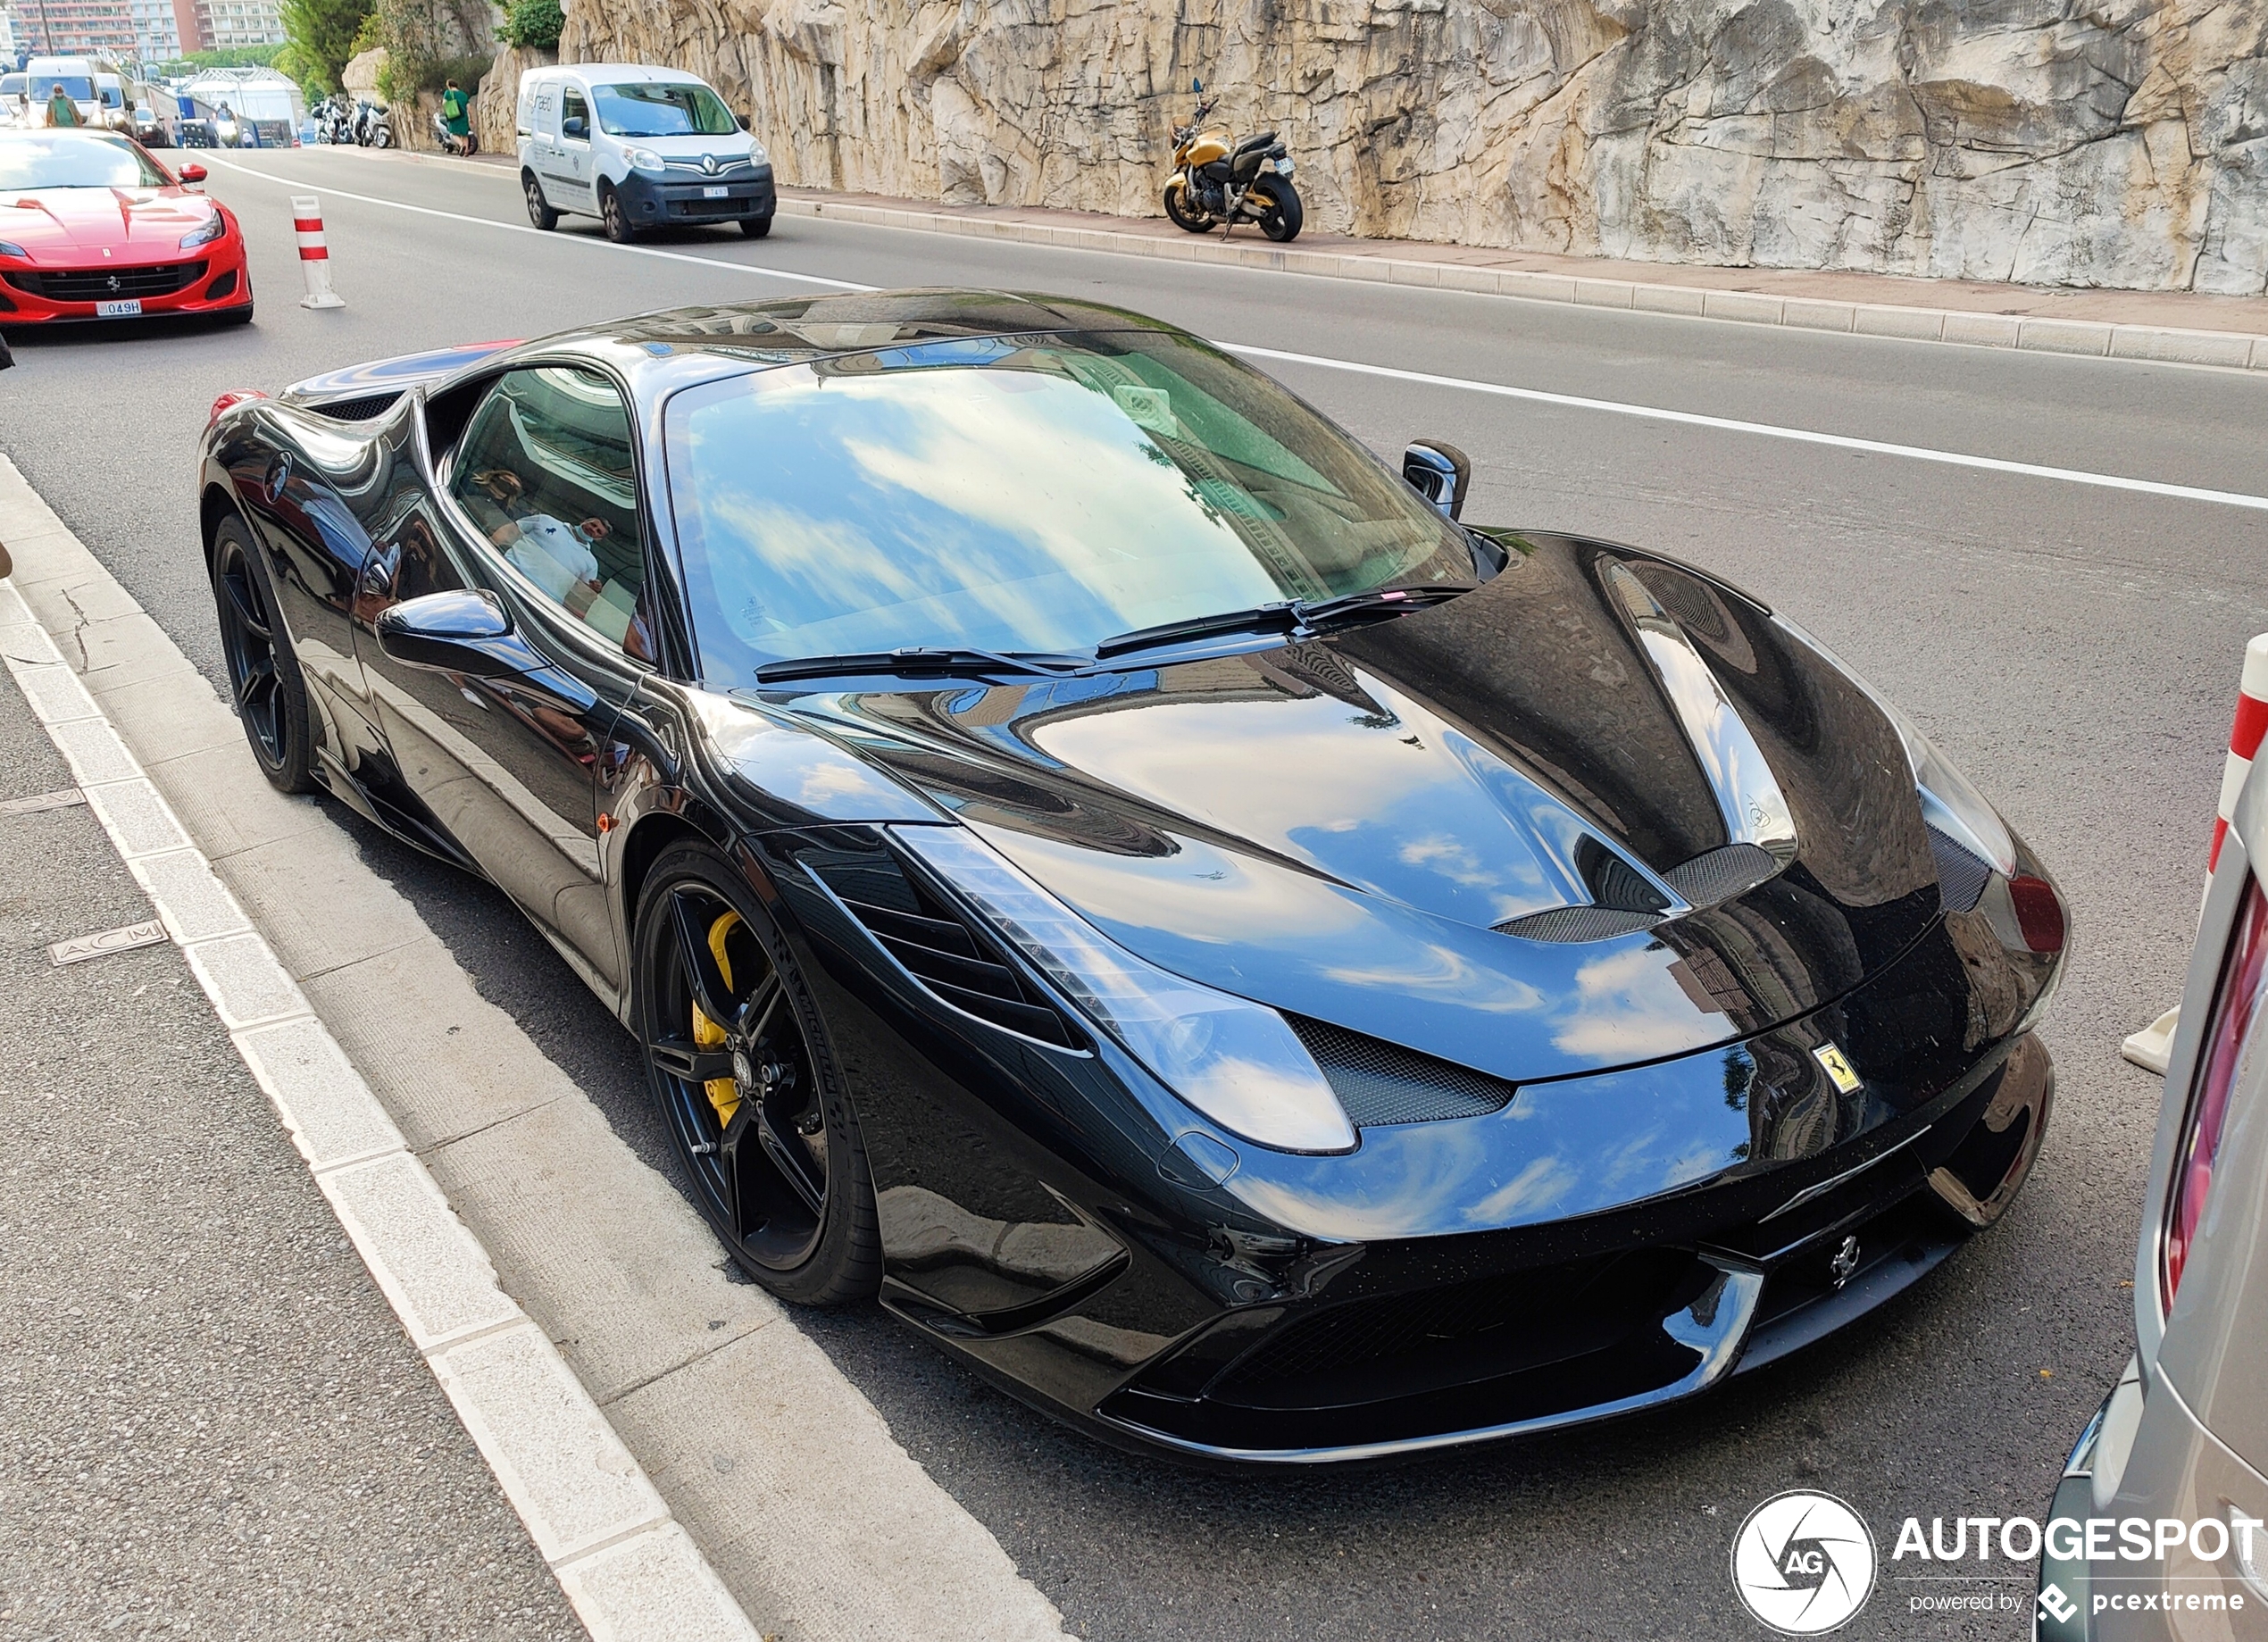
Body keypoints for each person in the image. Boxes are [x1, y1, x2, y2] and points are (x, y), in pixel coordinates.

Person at [439, 79, 471, 154]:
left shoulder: (448, 93)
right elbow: (469, 107)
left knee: (453, 134)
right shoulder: (464, 95)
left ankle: (461, 145)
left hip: (454, 116)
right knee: (464, 134)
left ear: (449, 86)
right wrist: (471, 118)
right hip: (464, 117)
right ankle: (466, 151)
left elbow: (444, 103)